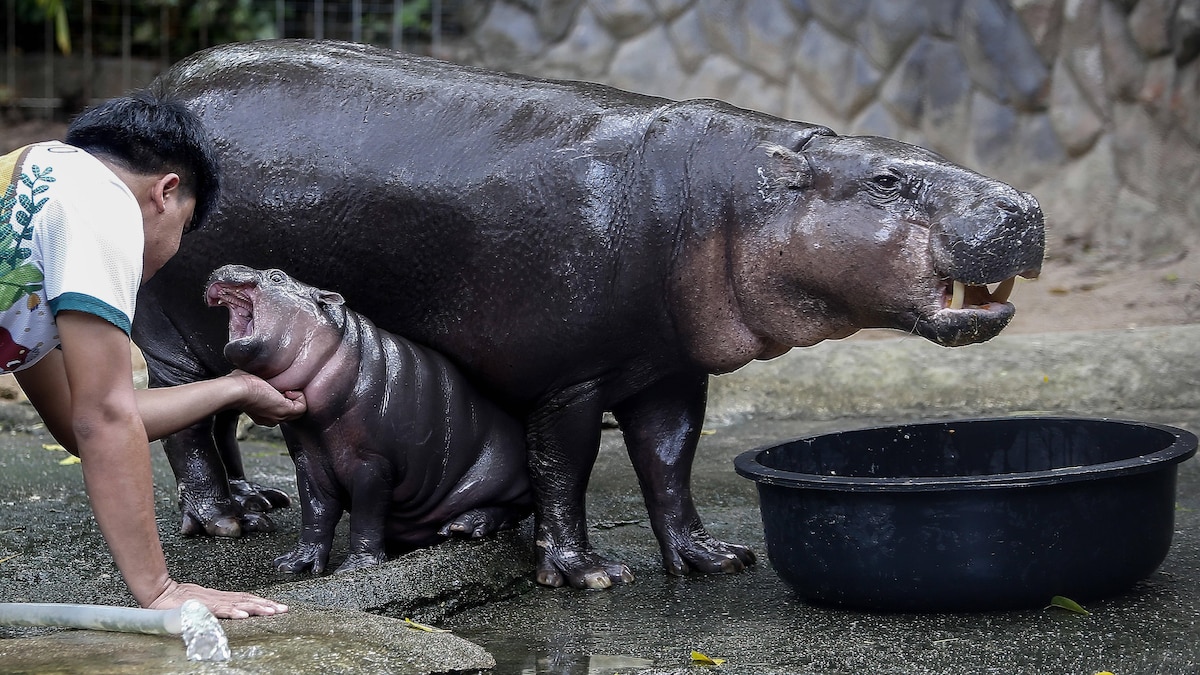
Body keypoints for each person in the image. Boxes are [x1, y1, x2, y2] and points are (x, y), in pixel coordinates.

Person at [0, 90, 306, 619]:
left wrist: (237, 387)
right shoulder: (101, 200)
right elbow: (104, 419)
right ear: (165, 193)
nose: (172, 249)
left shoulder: (39, 187)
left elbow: (83, 419)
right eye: (184, 230)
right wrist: (160, 590)